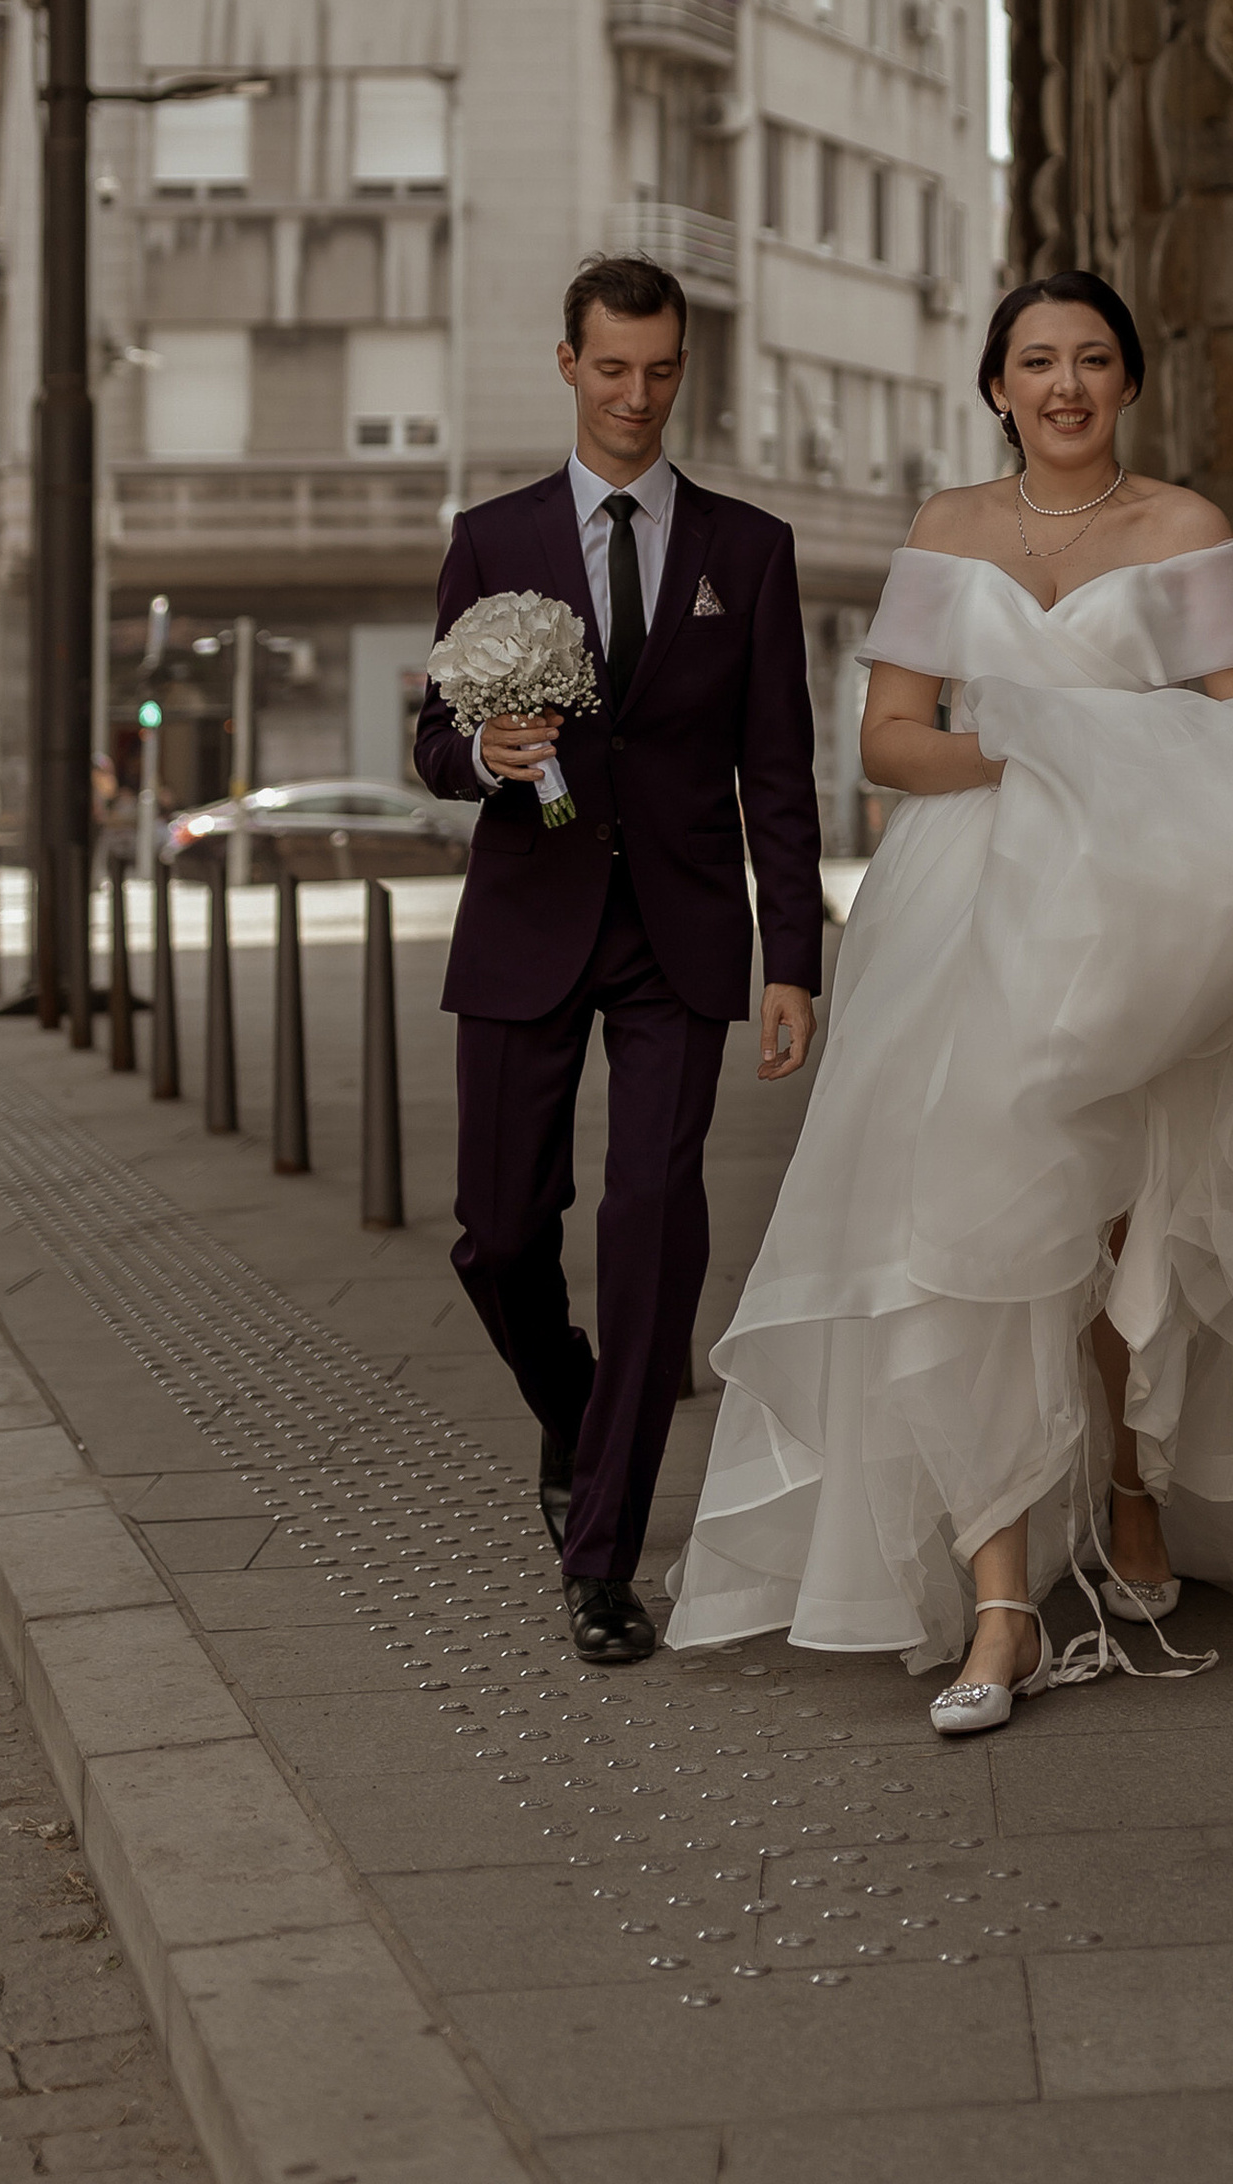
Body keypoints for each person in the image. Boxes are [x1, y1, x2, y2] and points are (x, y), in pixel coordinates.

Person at [667, 270, 1233, 1727]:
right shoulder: (948, 529)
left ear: (1128, 380)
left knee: (1127, 1210)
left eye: (1093, 359)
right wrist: (1040, 747)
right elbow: (889, 739)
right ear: (996, 385)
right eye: (1036, 360)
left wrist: (1115, 764)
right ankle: (1000, 1600)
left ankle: (1130, 1475)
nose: (1065, 384)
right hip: (972, 909)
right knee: (960, 1219)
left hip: (1147, 907)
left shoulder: (1183, 530)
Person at [415, 254, 824, 1669]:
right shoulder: (490, 536)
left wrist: (795, 958)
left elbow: (779, 770)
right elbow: (427, 741)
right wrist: (484, 752)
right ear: (568, 363)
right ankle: (580, 1409)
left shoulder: (747, 550)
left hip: (683, 935)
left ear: (682, 369)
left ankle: (604, 1555)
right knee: (499, 1233)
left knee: (654, 1222)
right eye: (611, 369)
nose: (635, 397)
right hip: (527, 920)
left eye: (659, 371)